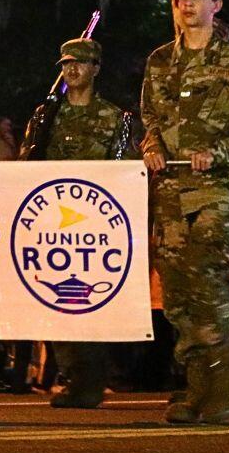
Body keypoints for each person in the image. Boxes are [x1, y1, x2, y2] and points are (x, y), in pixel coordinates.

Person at [140, 0, 229, 424]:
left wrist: (216, 154)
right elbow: (150, 120)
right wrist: (153, 148)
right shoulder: (160, 62)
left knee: (210, 284)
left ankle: (225, 384)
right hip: (172, 198)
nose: (187, 4)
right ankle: (199, 387)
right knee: (177, 296)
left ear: (217, 4)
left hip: (217, 195)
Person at [18, 37, 139, 409]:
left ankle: (91, 377)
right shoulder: (46, 116)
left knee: (90, 301)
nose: (73, 70)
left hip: (95, 227)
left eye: (81, 63)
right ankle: (74, 375)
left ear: (96, 69)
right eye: (67, 64)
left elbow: (123, 172)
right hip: (53, 224)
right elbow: (26, 165)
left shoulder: (115, 118)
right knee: (55, 300)